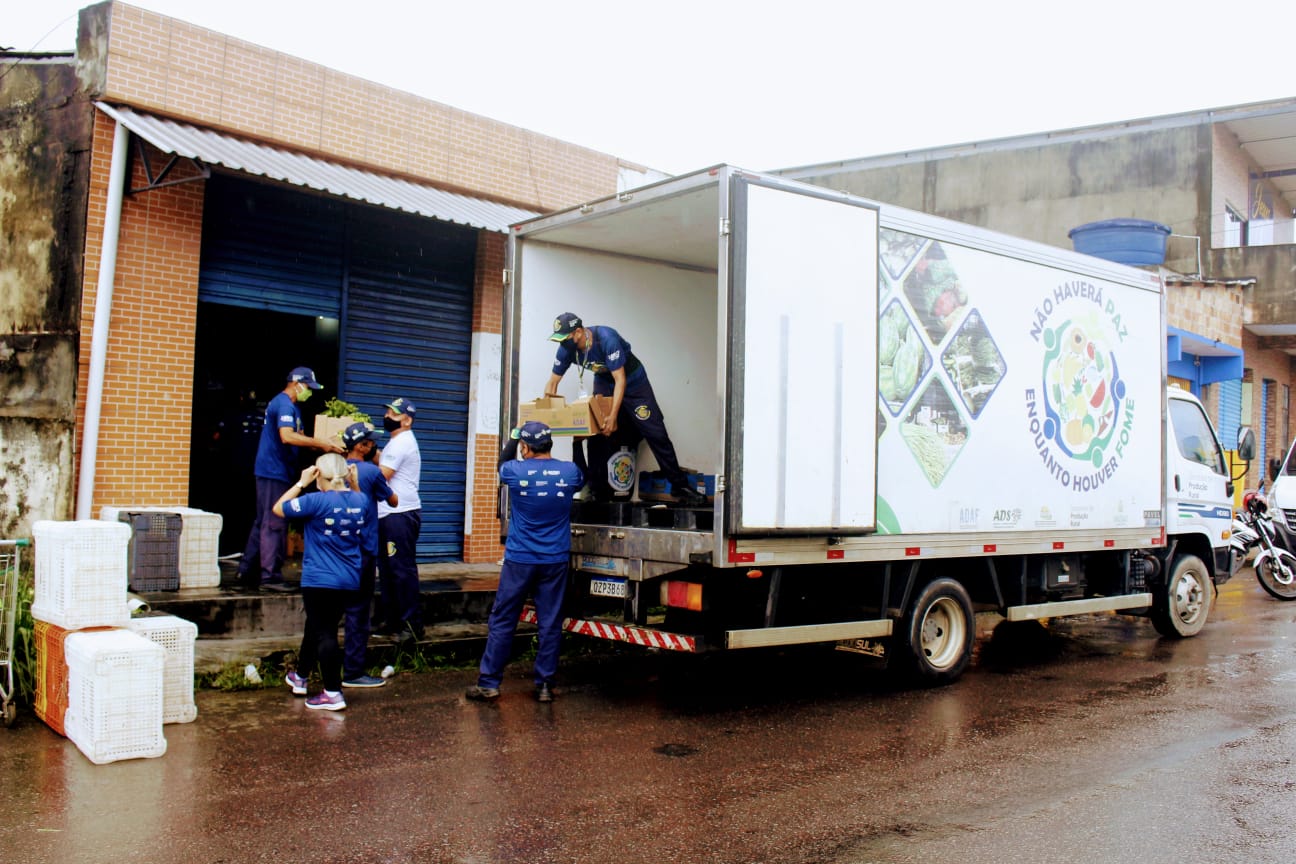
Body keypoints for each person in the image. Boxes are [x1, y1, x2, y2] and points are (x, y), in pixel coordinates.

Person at [466, 420, 583, 703]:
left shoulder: (515, 471)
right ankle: (544, 686)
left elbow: (501, 462)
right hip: (555, 559)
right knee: (550, 622)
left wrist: (514, 435)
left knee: (503, 619)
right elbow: (585, 474)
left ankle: (489, 684)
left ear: (526, 447)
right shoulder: (569, 472)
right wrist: (579, 443)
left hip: (520, 559)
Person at [544, 313, 705, 505]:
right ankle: (598, 490)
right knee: (597, 432)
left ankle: (679, 485)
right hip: (604, 381)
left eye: (565, 338)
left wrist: (613, 416)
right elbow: (552, 383)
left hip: (633, 383)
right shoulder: (566, 349)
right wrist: (548, 411)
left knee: (656, 433)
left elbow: (620, 380)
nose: (562, 343)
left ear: (578, 332)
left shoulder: (606, 339)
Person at [237, 367, 344, 590]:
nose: (310, 393)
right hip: (273, 470)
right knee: (274, 521)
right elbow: (287, 436)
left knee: (263, 520)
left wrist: (326, 442)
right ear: (297, 384)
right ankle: (270, 577)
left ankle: (246, 571)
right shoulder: (284, 404)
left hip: (276, 470)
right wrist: (320, 443)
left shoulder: (292, 408)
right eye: (308, 388)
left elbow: (300, 437)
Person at [276, 453, 368, 711]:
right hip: (348, 579)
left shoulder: (315, 500)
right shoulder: (361, 500)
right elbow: (360, 501)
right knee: (316, 626)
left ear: (319, 476)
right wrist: (355, 483)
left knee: (325, 632)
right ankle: (300, 677)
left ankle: (332, 692)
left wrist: (301, 482)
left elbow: (278, 508)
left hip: (319, 580)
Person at [340, 422, 397, 688]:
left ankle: (305, 673)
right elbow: (393, 500)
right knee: (358, 611)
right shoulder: (371, 472)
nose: (375, 446)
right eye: (371, 443)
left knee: (327, 612)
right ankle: (353, 672)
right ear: (362, 447)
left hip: (335, 550)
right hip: (362, 550)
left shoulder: (333, 469)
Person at [374, 397, 423, 643]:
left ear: (407, 420)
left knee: (401, 571)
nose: (387, 417)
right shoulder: (395, 442)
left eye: (393, 414)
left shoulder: (402, 442)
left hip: (399, 514)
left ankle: (411, 626)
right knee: (387, 570)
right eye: (388, 413)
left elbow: (381, 476)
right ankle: (392, 620)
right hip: (388, 513)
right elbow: (383, 463)